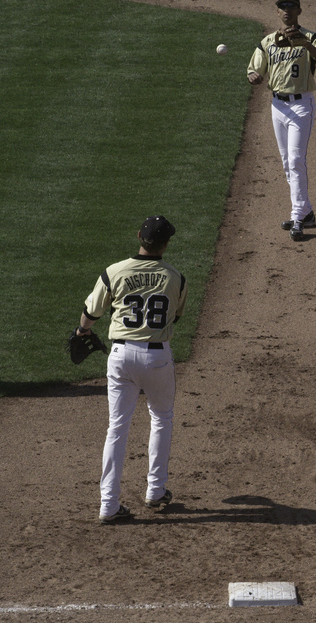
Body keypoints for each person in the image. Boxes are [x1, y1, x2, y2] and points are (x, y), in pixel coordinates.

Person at [76, 216, 188, 524]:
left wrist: (81, 332)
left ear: (139, 235)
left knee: (117, 428)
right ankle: (155, 490)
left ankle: (109, 505)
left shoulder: (114, 271)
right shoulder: (176, 277)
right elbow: (174, 318)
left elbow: (90, 313)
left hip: (121, 356)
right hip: (157, 358)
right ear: (166, 244)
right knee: (161, 418)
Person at [247, 0, 316, 242]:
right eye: (282, 7)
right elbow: (255, 70)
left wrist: (305, 44)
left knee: (296, 159)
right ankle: (306, 213)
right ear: (277, 12)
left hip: (301, 104)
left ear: (298, 10)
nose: (287, 11)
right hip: (277, 106)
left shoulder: (312, 37)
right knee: (287, 162)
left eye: (291, 6)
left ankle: (297, 217)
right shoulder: (267, 41)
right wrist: (253, 76)